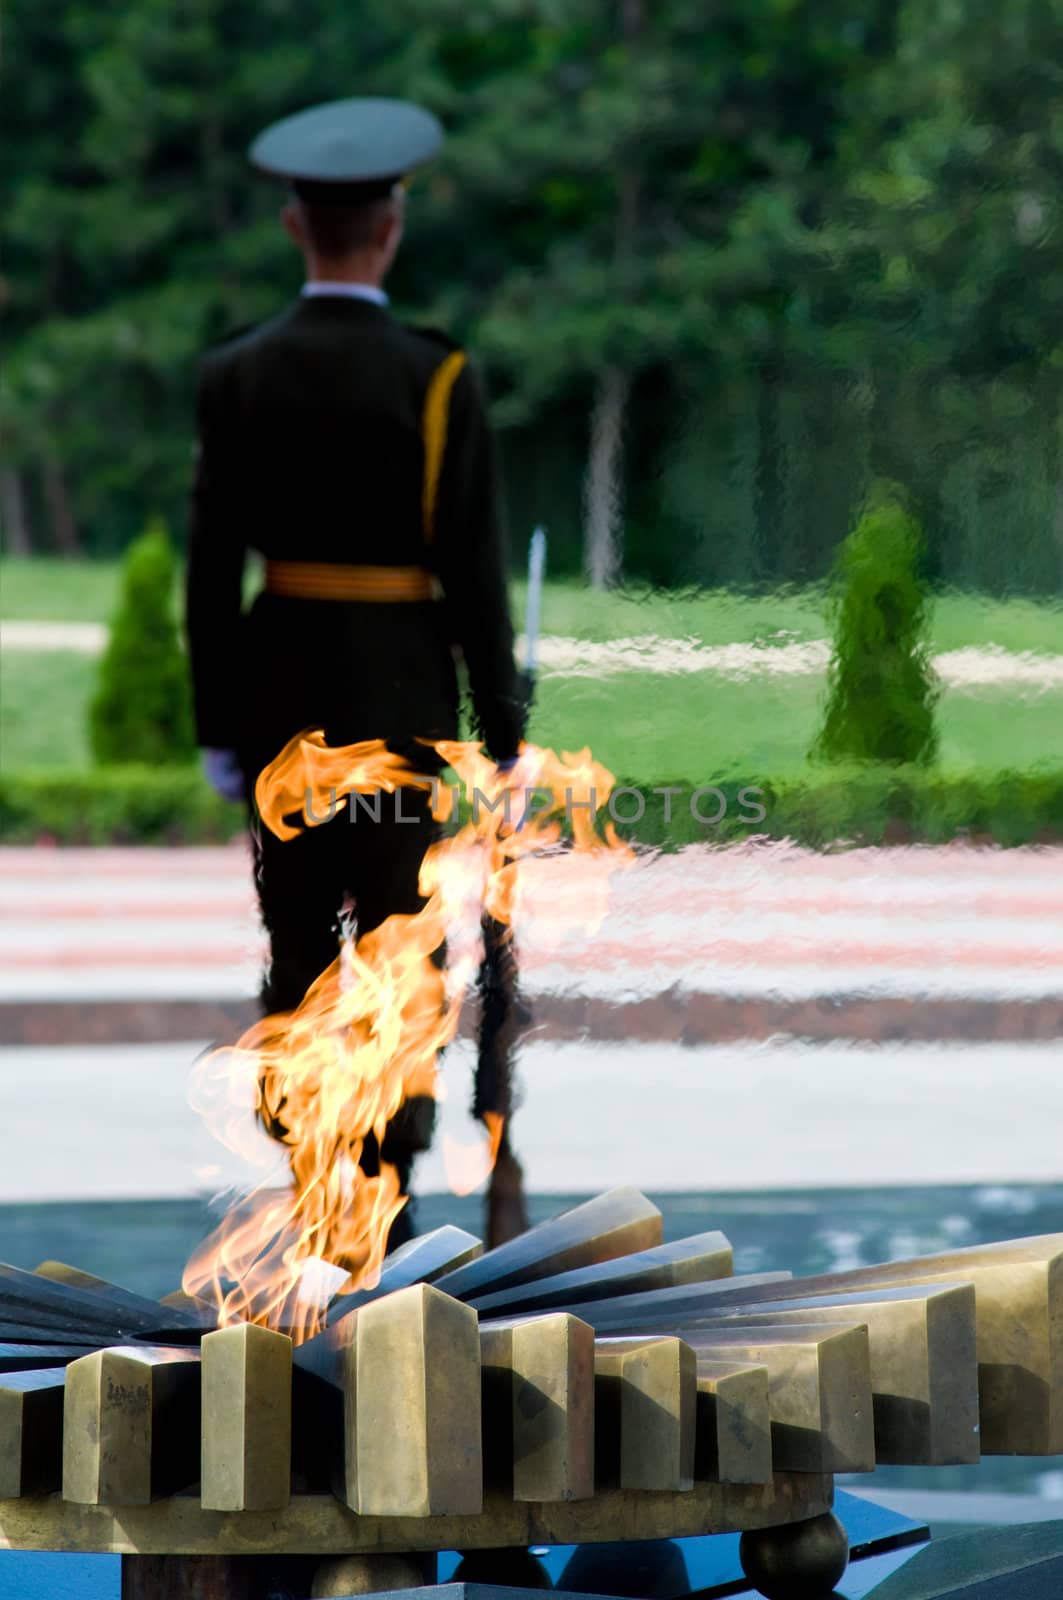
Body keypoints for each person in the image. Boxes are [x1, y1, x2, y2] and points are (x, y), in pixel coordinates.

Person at [185, 97, 525, 1243]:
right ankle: (388, 1180)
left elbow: (206, 576)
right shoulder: (436, 379)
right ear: (390, 229)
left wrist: (219, 726)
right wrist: (505, 723)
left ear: (294, 227)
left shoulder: (235, 375)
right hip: (404, 702)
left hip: (281, 696)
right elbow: (474, 575)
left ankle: (306, 1173)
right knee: (399, 942)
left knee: (295, 945)